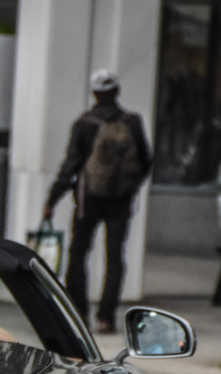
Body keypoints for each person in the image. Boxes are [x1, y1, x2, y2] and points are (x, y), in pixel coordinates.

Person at [44, 69, 152, 334]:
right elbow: (147, 161)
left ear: (94, 94)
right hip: (121, 200)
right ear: (116, 92)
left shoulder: (85, 123)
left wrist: (52, 199)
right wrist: (130, 187)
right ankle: (106, 318)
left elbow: (71, 166)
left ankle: (78, 314)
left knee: (78, 253)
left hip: (87, 199)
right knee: (115, 257)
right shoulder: (133, 122)